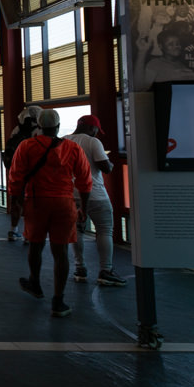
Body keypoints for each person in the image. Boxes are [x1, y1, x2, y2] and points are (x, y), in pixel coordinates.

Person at [8, 109, 92, 317]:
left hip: (36, 202)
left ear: (39, 126)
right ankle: (58, 300)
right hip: (64, 203)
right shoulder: (72, 148)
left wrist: (16, 201)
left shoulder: (26, 146)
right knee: (60, 252)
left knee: (35, 246)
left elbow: (16, 175)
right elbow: (84, 180)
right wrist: (83, 207)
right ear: (58, 126)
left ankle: (35, 283)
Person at [64, 115, 126, 287]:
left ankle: (80, 268)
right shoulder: (93, 142)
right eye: (97, 130)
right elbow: (105, 167)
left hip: (71, 194)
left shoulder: (63, 141)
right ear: (92, 128)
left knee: (77, 231)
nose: (97, 133)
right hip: (95, 194)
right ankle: (106, 271)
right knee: (105, 230)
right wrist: (110, 164)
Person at [2, 105, 42, 241]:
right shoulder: (39, 131)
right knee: (32, 204)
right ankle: (28, 234)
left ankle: (13, 230)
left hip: (17, 173)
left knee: (16, 202)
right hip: (34, 173)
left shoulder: (16, 130)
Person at [134, 21, 194, 90]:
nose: (176, 46)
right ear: (161, 46)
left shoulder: (184, 64)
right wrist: (142, 52)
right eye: (170, 44)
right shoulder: (155, 64)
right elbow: (139, 88)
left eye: (178, 44)